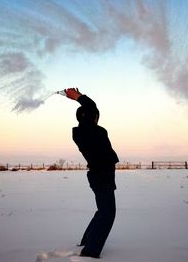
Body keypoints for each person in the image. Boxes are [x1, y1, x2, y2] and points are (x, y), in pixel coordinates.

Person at [65, 88, 119, 259]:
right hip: (100, 176)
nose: (96, 117)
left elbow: (93, 112)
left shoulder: (93, 131)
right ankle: (90, 252)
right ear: (85, 117)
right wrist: (78, 97)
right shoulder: (85, 131)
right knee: (107, 214)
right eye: (94, 115)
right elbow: (91, 107)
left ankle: (87, 241)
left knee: (103, 211)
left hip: (103, 175)